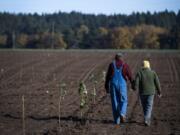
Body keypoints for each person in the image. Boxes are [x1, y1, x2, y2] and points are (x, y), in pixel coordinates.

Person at [105, 53, 133, 125]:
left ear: (115, 58)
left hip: (113, 85)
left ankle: (117, 121)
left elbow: (108, 76)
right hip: (122, 85)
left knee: (115, 102)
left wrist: (106, 86)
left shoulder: (112, 65)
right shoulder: (125, 65)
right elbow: (130, 75)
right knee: (123, 100)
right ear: (122, 58)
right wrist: (133, 84)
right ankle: (122, 113)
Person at [134, 60, 161, 126]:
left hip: (142, 93)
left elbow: (136, 83)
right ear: (148, 66)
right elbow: (157, 83)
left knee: (144, 106)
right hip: (151, 93)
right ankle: (147, 119)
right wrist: (159, 92)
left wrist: (134, 88)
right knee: (149, 106)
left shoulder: (139, 73)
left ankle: (146, 119)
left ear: (142, 66)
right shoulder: (153, 73)